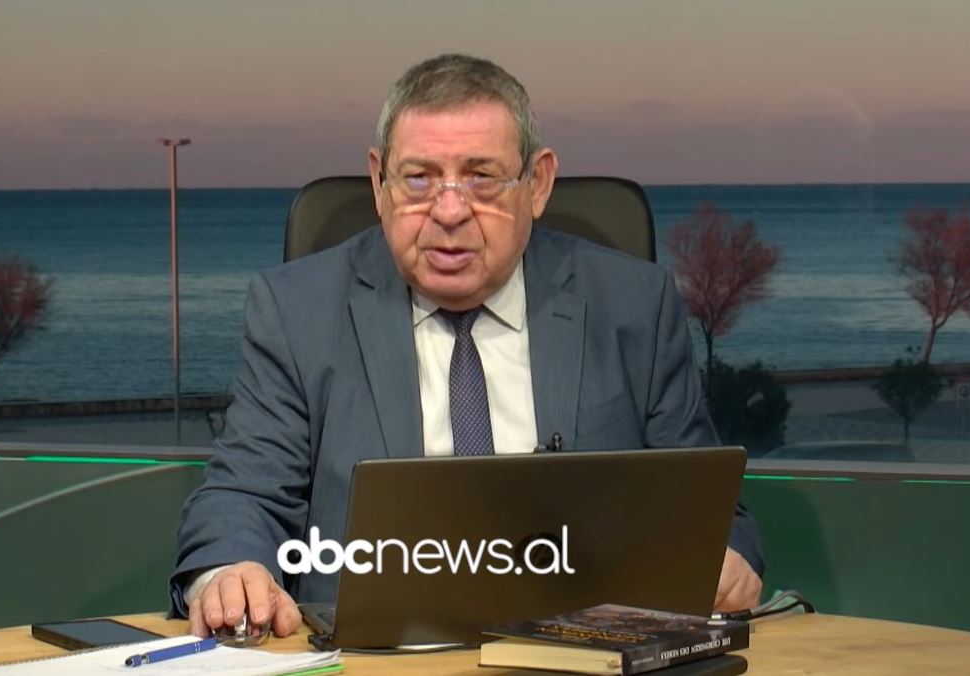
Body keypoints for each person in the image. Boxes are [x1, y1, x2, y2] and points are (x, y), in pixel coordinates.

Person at [171, 53, 765, 639]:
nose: (450, 211)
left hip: (588, 654)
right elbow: (243, 494)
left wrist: (723, 559)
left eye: (481, 177)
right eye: (419, 178)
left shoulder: (634, 305)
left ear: (537, 183)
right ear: (379, 182)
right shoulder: (297, 311)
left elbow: (711, 512)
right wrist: (229, 573)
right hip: (372, 658)